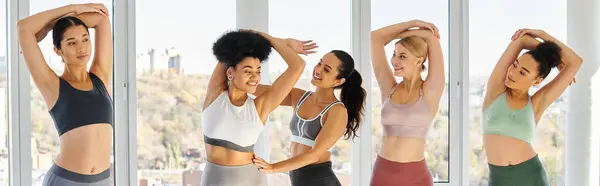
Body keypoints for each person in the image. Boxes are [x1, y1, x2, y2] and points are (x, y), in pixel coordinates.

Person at [18, 3, 114, 185]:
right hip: (66, 181)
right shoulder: (52, 85)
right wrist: (74, 9)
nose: (81, 48)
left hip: (104, 180)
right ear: (57, 50)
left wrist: (53, 24)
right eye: (71, 43)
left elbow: (101, 20)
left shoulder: (101, 76)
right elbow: (24, 28)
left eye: (85, 39)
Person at [201, 29, 310, 186]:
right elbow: (235, 41)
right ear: (230, 72)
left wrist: (274, 40)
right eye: (248, 71)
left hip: (249, 179)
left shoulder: (260, 107)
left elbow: (298, 65)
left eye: (258, 71)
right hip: (213, 178)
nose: (255, 77)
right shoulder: (215, 95)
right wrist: (283, 41)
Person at [482, 29, 582, 186]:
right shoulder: (496, 90)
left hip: (530, 177)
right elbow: (521, 41)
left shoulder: (537, 103)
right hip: (498, 179)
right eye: (515, 65)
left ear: (536, 81)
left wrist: (543, 34)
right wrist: (550, 59)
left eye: (523, 72)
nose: (513, 73)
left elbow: (575, 62)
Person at [252, 50, 366, 186]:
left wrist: (273, 167)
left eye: (326, 69)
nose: (318, 70)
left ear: (338, 81)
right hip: (297, 178)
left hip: (319, 179)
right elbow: (256, 89)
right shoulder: (299, 96)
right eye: (319, 63)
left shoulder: (337, 111)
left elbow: (314, 155)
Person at [370, 20, 444, 186]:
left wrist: (406, 34)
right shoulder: (389, 88)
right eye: (394, 54)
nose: (394, 60)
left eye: (402, 56)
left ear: (419, 61)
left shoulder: (430, 90)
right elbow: (375, 38)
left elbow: (431, 38)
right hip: (382, 174)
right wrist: (414, 23)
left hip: (415, 178)